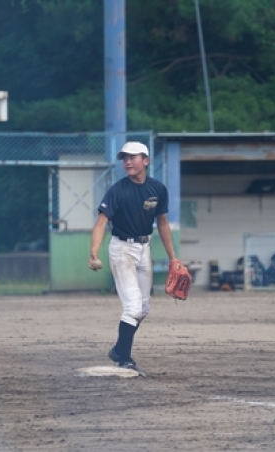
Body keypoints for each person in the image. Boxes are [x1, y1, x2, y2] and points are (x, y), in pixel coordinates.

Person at [89, 141, 180, 373]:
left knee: (144, 307)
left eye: (133, 157)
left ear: (145, 161)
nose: (128, 162)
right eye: (125, 158)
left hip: (144, 248)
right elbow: (100, 223)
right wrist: (94, 253)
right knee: (133, 306)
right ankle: (125, 359)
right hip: (122, 250)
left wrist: (173, 258)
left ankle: (119, 349)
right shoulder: (117, 191)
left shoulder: (157, 189)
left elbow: (162, 223)